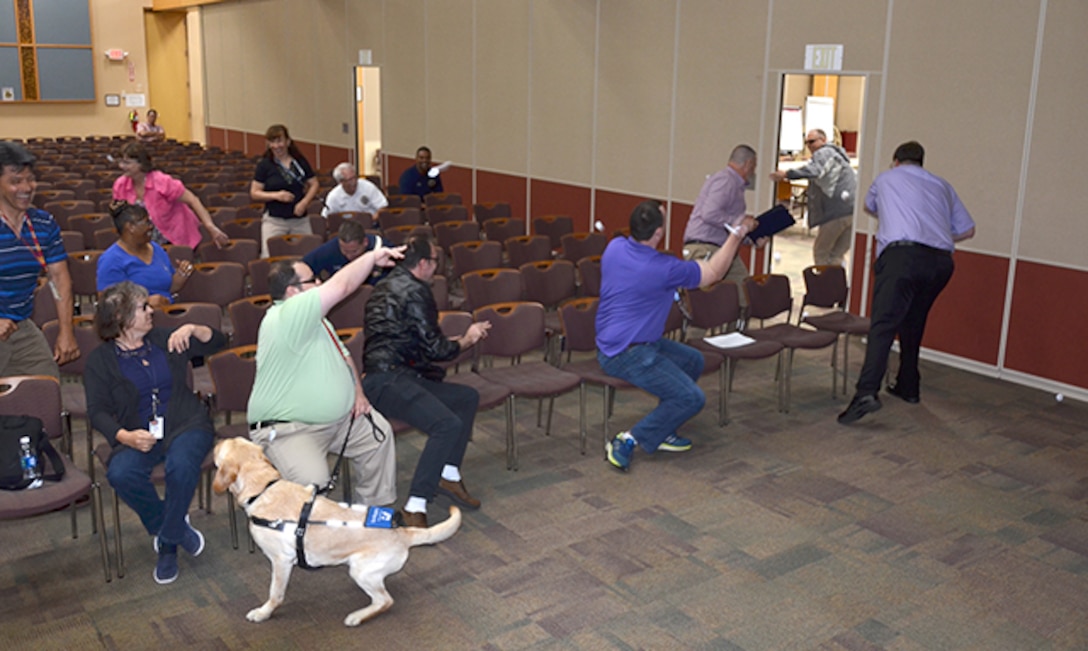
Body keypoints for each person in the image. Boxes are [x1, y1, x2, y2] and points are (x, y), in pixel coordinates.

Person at [84, 280, 227, 584]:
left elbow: (219, 343)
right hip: (138, 433)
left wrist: (193, 329)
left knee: (181, 464)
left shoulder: (166, 338)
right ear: (122, 319)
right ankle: (170, 527)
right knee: (121, 473)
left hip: (186, 423)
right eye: (143, 307)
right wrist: (124, 436)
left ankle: (168, 544)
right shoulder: (100, 361)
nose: (151, 311)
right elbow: (96, 411)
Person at [598, 201, 756, 473]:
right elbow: (714, 273)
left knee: (693, 361)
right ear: (658, 234)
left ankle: (663, 428)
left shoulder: (615, 248)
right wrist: (737, 234)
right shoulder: (663, 268)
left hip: (636, 341)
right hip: (624, 352)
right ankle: (628, 440)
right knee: (692, 398)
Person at [247, 243, 403, 506]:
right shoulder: (286, 315)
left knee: (378, 436)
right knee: (313, 485)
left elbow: (344, 356)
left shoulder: (317, 320)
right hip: (290, 429)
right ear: (292, 291)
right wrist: (372, 257)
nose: (319, 282)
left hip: (340, 421)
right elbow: (341, 286)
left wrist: (357, 392)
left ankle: (371, 519)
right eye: (312, 280)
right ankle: (304, 541)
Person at [838, 141, 976, 425]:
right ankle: (908, 386)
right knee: (913, 321)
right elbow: (967, 229)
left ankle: (866, 393)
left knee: (883, 325)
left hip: (902, 257)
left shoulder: (886, 178)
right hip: (940, 263)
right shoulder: (942, 185)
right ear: (921, 162)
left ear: (896, 161)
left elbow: (869, 206)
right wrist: (936, 236)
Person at [362, 235, 490, 528]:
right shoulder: (416, 292)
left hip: (393, 375)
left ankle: (449, 475)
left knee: (466, 397)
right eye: (435, 261)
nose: (436, 267)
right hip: (389, 379)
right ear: (423, 264)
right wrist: (468, 339)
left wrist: (453, 341)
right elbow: (436, 351)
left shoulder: (383, 285)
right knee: (446, 424)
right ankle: (415, 505)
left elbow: (418, 344)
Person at [0, 141, 79, 378]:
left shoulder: (43, 223)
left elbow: (59, 280)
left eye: (30, 179)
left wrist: (66, 331)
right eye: (16, 181)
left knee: (45, 388)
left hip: (21, 326)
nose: (26, 187)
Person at [681, 145, 763, 302]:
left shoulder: (734, 184)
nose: (753, 171)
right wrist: (740, 223)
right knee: (702, 303)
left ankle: (736, 326)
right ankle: (696, 326)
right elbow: (709, 214)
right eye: (754, 166)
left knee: (744, 293)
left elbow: (730, 227)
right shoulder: (726, 180)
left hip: (722, 249)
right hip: (704, 246)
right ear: (748, 164)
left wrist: (751, 239)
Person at [112, 141, 229, 250]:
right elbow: (121, 217)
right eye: (121, 162)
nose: (121, 166)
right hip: (145, 242)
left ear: (141, 164)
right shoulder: (120, 185)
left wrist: (210, 227)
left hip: (175, 237)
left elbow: (193, 200)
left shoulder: (162, 182)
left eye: (127, 163)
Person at [770, 129, 857, 266]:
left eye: (812, 141)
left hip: (837, 212)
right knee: (836, 255)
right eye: (806, 143)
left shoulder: (824, 152)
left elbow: (814, 171)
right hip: (853, 212)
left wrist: (787, 174)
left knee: (821, 252)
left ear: (823, 140)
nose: (809, 146)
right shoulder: (837, 155)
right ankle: (836, 286)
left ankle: (822, 286)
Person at [96, 202, 193, 307]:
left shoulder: (156, 249)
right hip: (136, 319)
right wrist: (145, 302)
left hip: (168, 313)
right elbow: (107, 302)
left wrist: (182, 274)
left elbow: (168, 287)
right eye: (146, 222)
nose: (151, 227)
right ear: (131, 227)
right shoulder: (111, 259)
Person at [250, 124, 320, 258]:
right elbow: (254, 193)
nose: (276, 146)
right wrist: (277, 196)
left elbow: (314, 184)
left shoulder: (299, 162)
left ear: (287, 142)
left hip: (300, 220)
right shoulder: (265, 165)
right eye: (272, 142)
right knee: (268, 257)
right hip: (275, 221)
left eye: (279, 141)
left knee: (308, 256)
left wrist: (304, 203)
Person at [302, 219, 385, 283]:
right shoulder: (330, 249)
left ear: (365, 242)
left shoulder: (383, 248)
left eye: (354, 251)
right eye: (345, 251)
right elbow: (303, 266)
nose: (349, 256)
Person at [322, 162, 388, 218]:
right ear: (341, 182)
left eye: (355, 177)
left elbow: (382, 207)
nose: (353, 182)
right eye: (349, 180)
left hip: (371, 225)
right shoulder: (334, 196)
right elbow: (327, 217)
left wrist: (371, 220)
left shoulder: (368, 187)